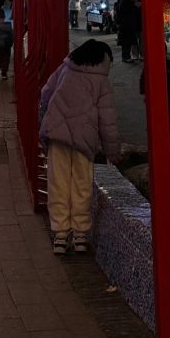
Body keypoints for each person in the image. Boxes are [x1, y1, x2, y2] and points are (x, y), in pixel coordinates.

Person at [38, 39, 120, 255]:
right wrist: (112, 151)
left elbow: (45, 94)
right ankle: (81, 235)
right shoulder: (101, 82)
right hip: (84, 141)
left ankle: (60, 235)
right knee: (82, 186)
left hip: (58, 136)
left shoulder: (65, 68)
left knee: (58, 184)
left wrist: (48, 120)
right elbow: (107, 120)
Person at [139, 56, 170, 148]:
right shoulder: (152, 65)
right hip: (159, 99)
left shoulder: (169, 64)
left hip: (169, 98)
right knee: (161, 120)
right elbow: (143, 80)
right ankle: (163, 141)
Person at [114, 0, 140, 64]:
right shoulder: (126, 2)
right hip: (126, 26)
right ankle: (126, 57)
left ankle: (126, 56)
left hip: (124, 26)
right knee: (127, 42)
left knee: (126, 43)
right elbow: (128, 14)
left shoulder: (122, 1)